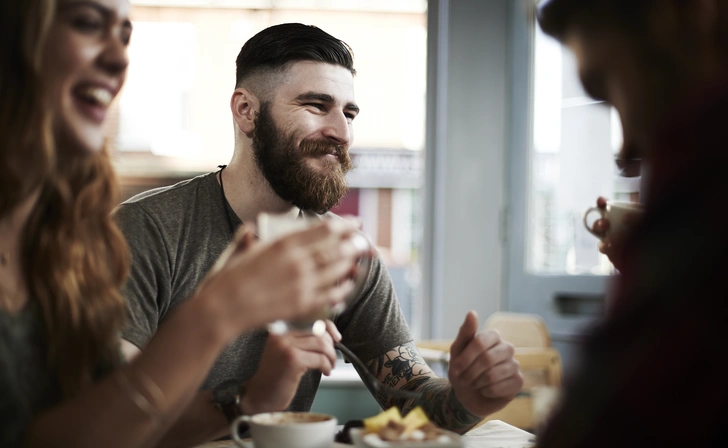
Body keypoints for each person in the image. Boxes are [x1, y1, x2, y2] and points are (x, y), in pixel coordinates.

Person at [116, 22, 524, 435]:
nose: (342, 132)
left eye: (349, 113)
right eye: (316, 105)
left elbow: (410, 397)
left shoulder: (347, 254)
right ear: (246, 111)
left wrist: (467, 399)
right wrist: (249, 396)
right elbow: (109, 417)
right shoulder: (147, 229)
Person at [0, 1, 368, 446]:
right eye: (87, 25)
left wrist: (249, 397)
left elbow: (101, 422)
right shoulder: (140, 226)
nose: (119, 61)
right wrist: (217, 311)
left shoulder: (63, 237)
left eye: (125, 36)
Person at [534, 0, 728, 446]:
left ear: (682, 15)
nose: (624, 153)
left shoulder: (709, 160)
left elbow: (608, 421)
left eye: (609, 85)